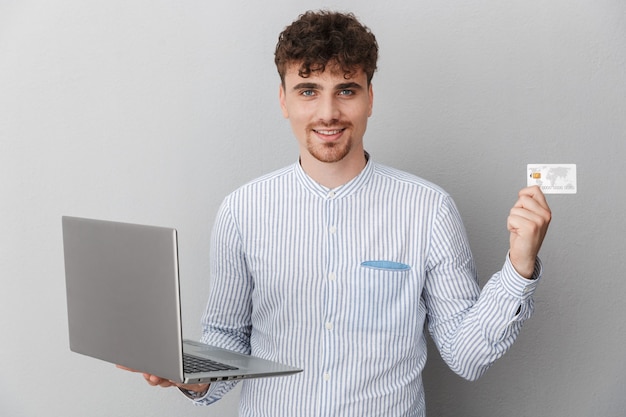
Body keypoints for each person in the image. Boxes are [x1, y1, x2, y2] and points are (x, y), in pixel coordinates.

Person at [122, 10, 551, 416]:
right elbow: (227, 341)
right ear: (284, 100)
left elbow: (467, 355)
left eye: (346, 90)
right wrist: (187, 376)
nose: (328, 112)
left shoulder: (429, 209)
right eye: (308, 91)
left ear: (369, 99)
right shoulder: (242, 211)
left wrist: (520, 266)